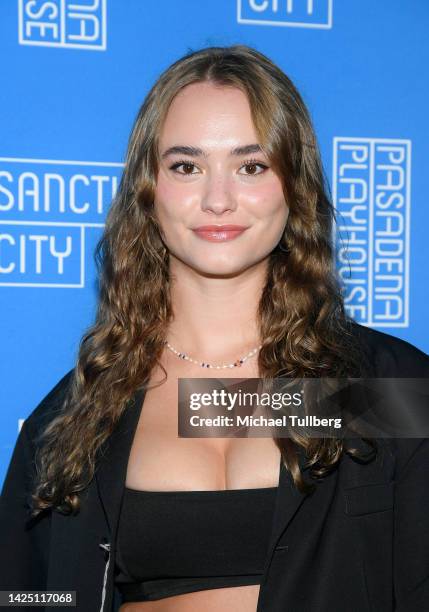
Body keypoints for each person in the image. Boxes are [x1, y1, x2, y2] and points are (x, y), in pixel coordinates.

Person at [1, 45, 428, 612]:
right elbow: (27, 596)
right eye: (186, 166)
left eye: (251, 166)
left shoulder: (383, 388)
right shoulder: (77, 416)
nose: (218, 199)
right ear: (148, 192)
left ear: (294, 185)